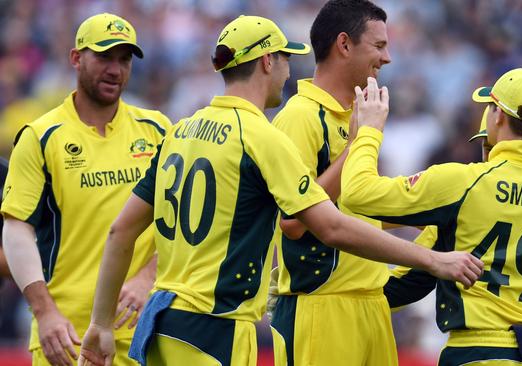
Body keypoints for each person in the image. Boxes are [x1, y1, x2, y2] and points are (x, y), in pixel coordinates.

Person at [76, 15, 482, 366]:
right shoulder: (261, 137)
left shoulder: (180, 131)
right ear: (268, 61)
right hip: (218, 328)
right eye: (286, 58)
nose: (290, 70)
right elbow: (331, 228)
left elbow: (121, 231)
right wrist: (433, 260)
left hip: (163, 322)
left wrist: (99, 322)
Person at [341, 70, 522, 365]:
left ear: (498, 115)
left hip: (474, 352)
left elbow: (357, 193)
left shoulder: (462, 182)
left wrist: (368, 132)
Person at [1, 13, 171, 366]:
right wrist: (44, 312)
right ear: (76, 58)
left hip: (148, 329)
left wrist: (148, 276)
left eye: (124, 60)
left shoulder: (157, 129)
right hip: (67, 336)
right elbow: (17, 229)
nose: (115, 69)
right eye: (105, 56)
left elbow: (182, 217)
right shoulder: (41, 136)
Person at [268, 1, 402, 365]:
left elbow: (351, 209)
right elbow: (293, 222)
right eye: (378, 46)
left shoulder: (358, 115)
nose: (387, 58)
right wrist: (358, 145)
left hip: (372, 300)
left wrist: (420, 213)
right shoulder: (300, 116)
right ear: (344, 44)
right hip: (321, 307)